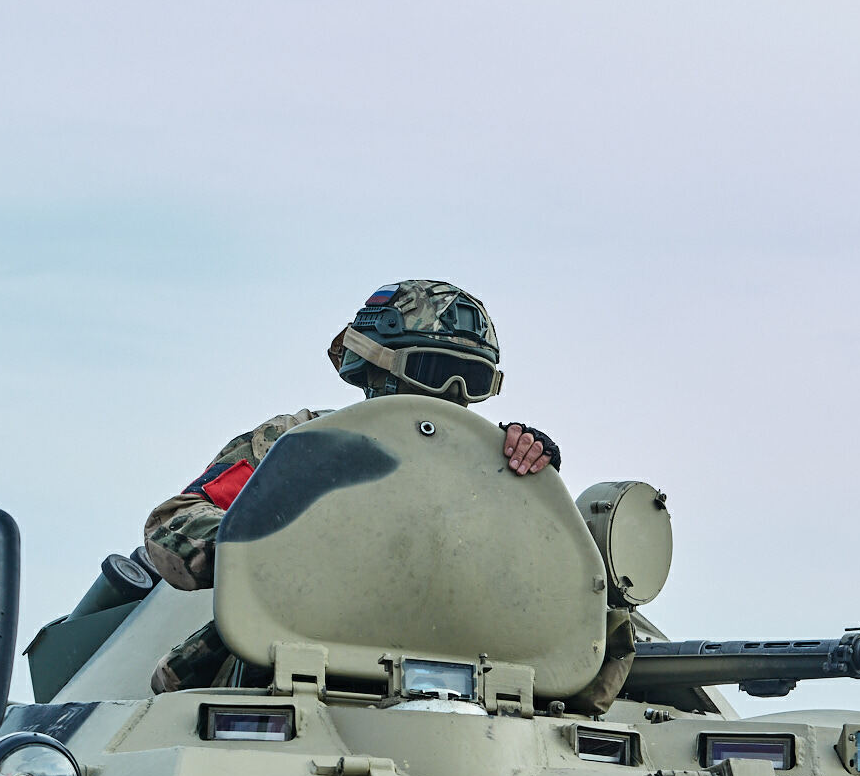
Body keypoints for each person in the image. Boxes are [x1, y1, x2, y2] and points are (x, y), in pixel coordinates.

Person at [143, 279, 561, 693]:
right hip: (299, 676)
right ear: (376, 366)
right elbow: (173, 525)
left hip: (461, 686)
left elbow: (549, 594)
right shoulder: (302, 443)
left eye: (472, 380)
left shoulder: (493, 468)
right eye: (431, 372)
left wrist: (529, 485)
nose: (453, 395)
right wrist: (290, 546)